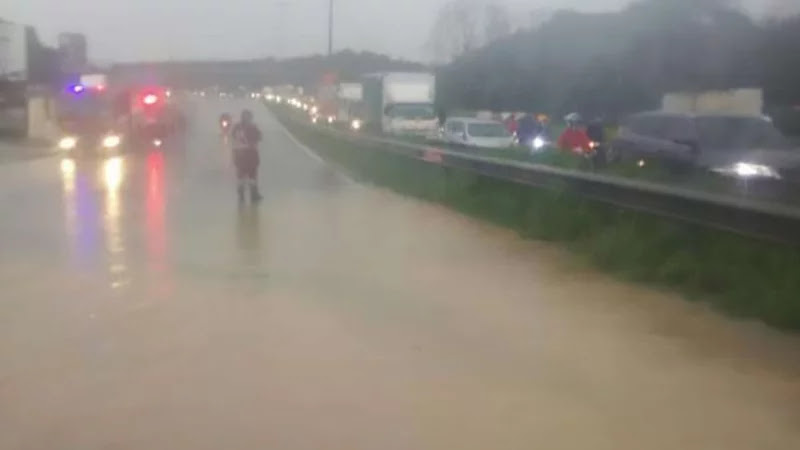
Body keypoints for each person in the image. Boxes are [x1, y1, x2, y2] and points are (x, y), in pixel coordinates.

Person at [231, 109, 263, 203]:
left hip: (239, 154)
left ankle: (241, 194)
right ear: (250, 118)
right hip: (250, 153)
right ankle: (253, 194)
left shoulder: (236, 127)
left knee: (240, 174)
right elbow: (259, 137)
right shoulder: (252, 127)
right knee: (252, 174)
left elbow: (233, 136)